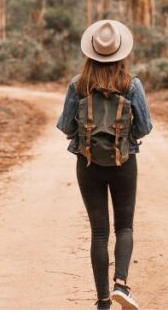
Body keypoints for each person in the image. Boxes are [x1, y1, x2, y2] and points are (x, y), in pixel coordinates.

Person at [57, 19, 153, 310]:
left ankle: (102, 303)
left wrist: (88, 136)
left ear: (91, 52)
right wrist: (124, 139)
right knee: (124, 227)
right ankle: (121, 285)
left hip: (88, 165)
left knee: (99, 232)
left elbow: (66, 127)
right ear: (121, 52)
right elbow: (145, 126)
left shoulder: (78, 84)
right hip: (124, 162)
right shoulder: (131, 84)